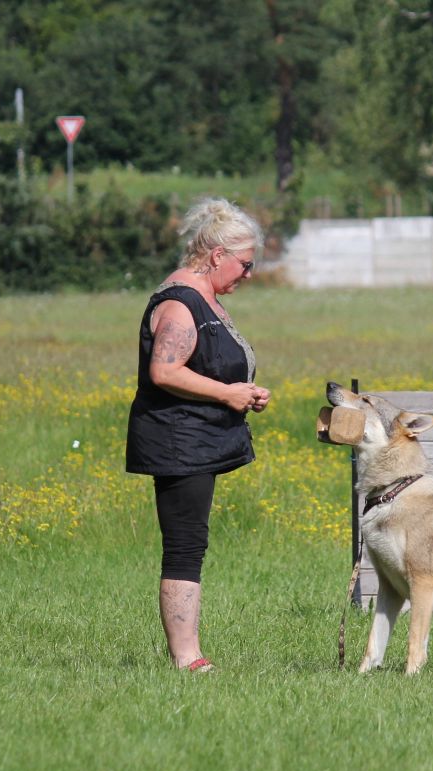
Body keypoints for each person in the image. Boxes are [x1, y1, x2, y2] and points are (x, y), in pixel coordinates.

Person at [125, 197, 271, 672]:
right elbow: (164, 371)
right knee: (185, 546)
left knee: (192, 543)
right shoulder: (179, 302)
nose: (248, 274)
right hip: (177, 441)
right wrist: (227, 394)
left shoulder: (203, 295)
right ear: (215, 255)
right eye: (244, 264)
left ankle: (188, 655)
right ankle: (187, 659)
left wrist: (242, 392)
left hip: (195, 438)